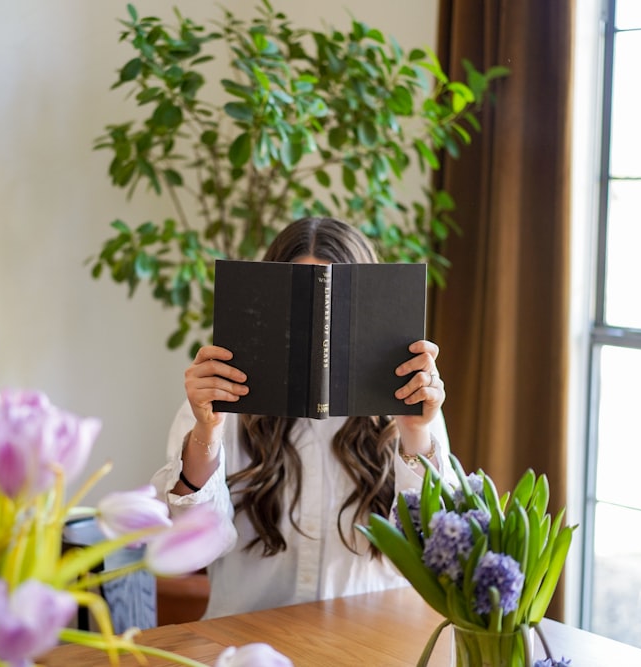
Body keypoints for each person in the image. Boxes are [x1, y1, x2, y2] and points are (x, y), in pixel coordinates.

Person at [150, 216, 452, 619]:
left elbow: (434, 553)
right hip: (250, 644)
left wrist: (415, 434)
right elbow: (192, 548)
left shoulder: (409, 409)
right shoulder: (221, 405)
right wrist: (208, 430)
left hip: (373, 642)